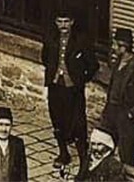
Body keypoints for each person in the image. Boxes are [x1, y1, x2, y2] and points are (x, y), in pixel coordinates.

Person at [42, 11, 98, 173]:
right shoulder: (51, 38)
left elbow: (93, 65)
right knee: (57, 120)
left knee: (78, 123)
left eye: (66, 21)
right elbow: (45, 58)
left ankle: (83, 161)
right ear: (55, 22)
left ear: (72, 22)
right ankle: (63, 153)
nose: (63, 25)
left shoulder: (81, 41)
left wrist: (81, 79)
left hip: (73, 89)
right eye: (59, 21)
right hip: (55, 86)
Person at [102, 27, 134, 167]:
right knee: (103, 147)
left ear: (123, 47)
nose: (113, 47)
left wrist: (131, 114)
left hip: (126, 116)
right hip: (111, 111)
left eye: (115, 44)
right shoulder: (117, 62)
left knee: (127, 155)